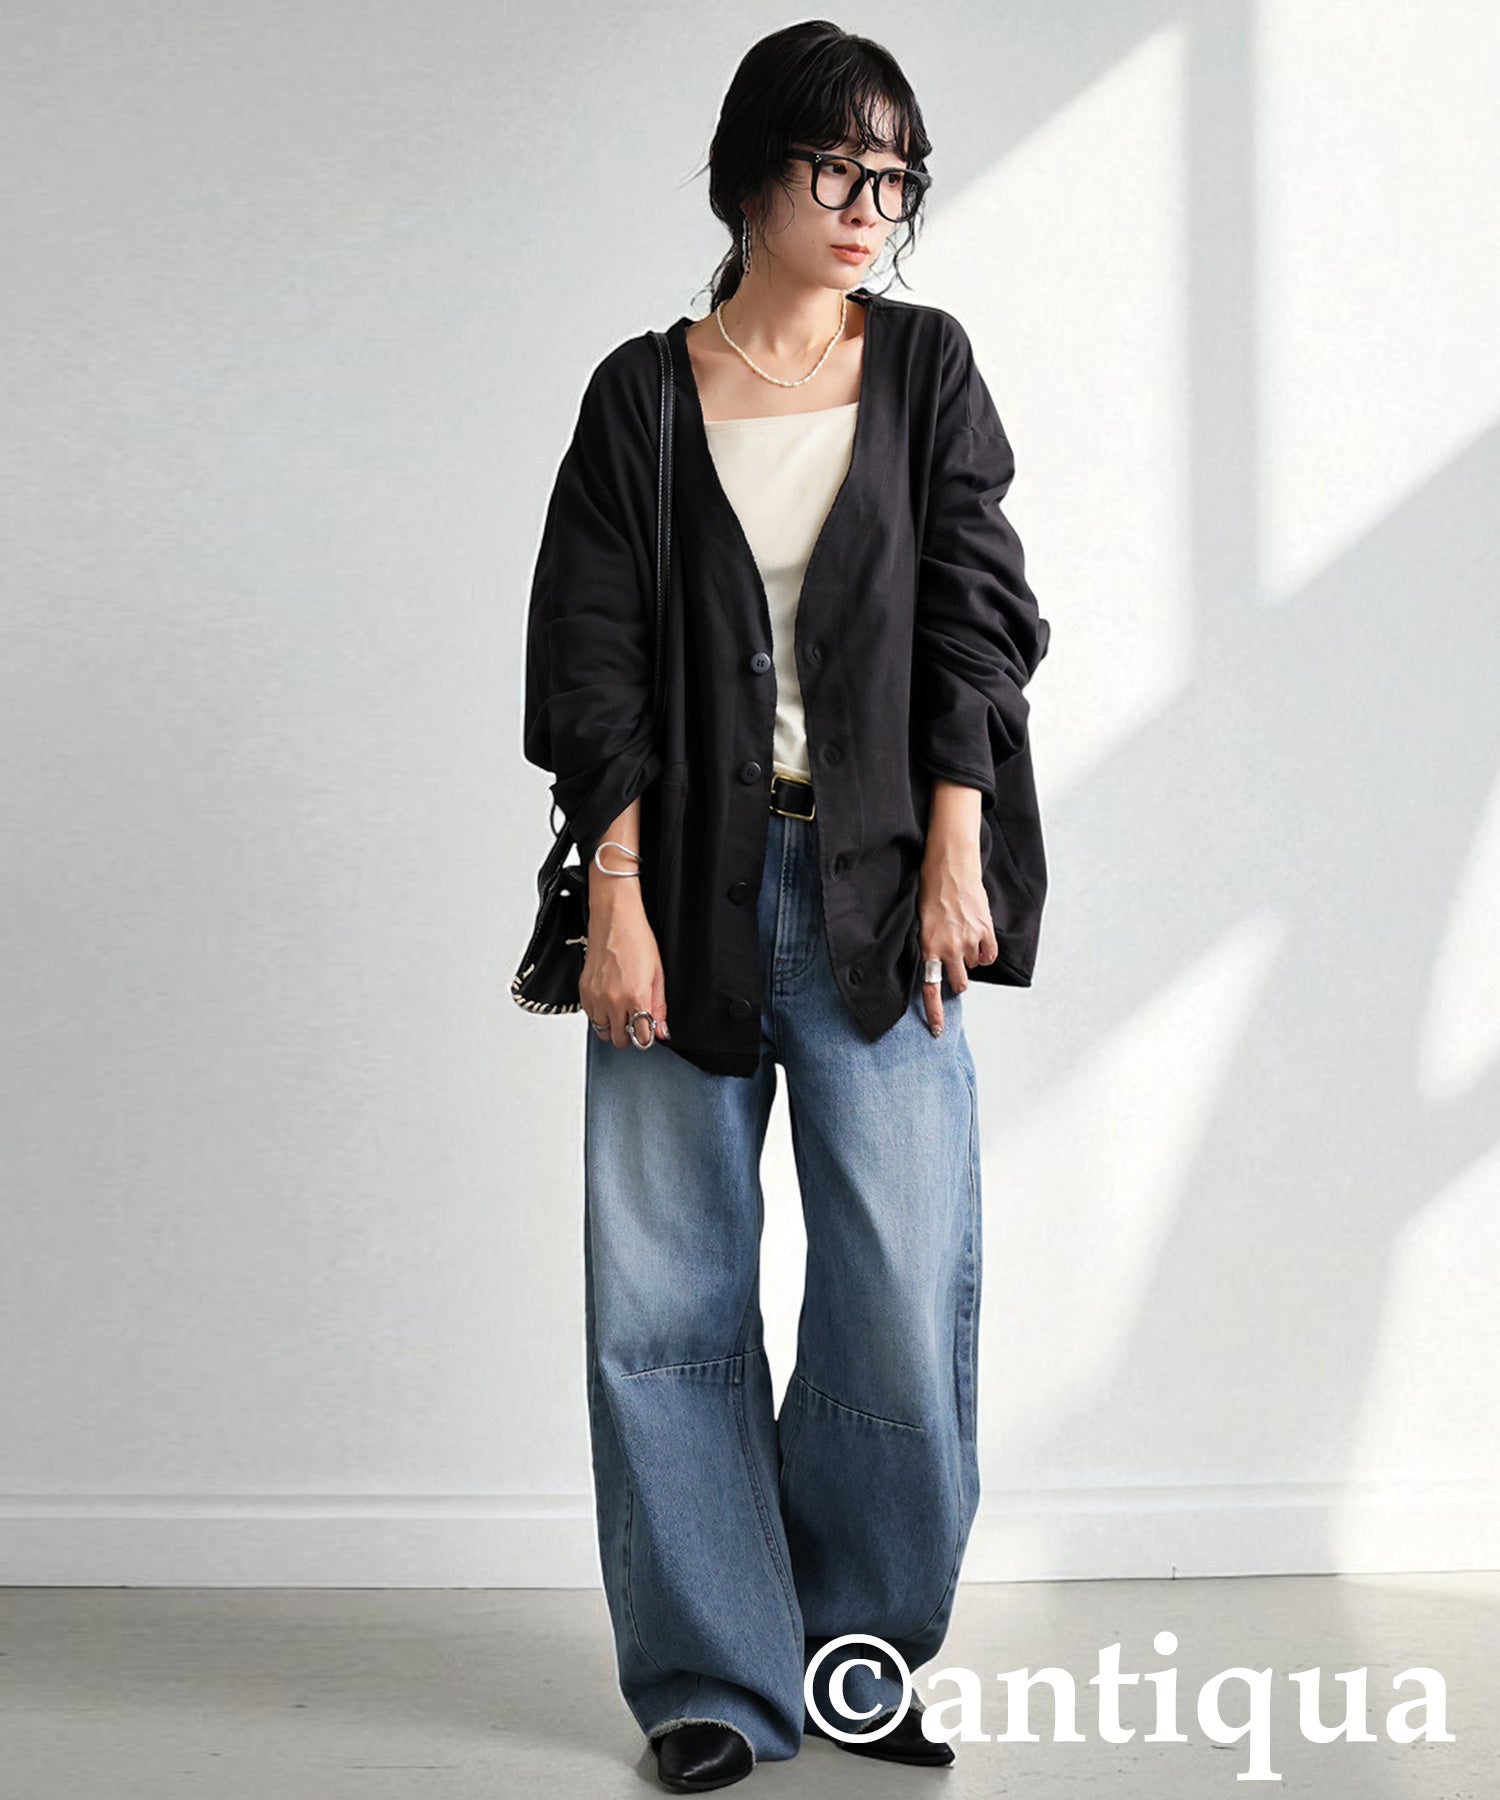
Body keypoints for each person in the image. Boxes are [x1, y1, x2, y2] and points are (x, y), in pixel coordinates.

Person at [523, 23, 1051, 1794]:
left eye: (896, 177)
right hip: (679, 892)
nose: (869, 205)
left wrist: (960, 851)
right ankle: (709, 1682)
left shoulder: (926, 369)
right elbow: (591, 664)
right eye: (839, 166)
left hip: (882, 893)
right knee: (664, 1300)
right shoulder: (640, 396)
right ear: (750, 171)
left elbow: (980, 621)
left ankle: (853, 1660)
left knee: (899, 1285)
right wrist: (613, 899)